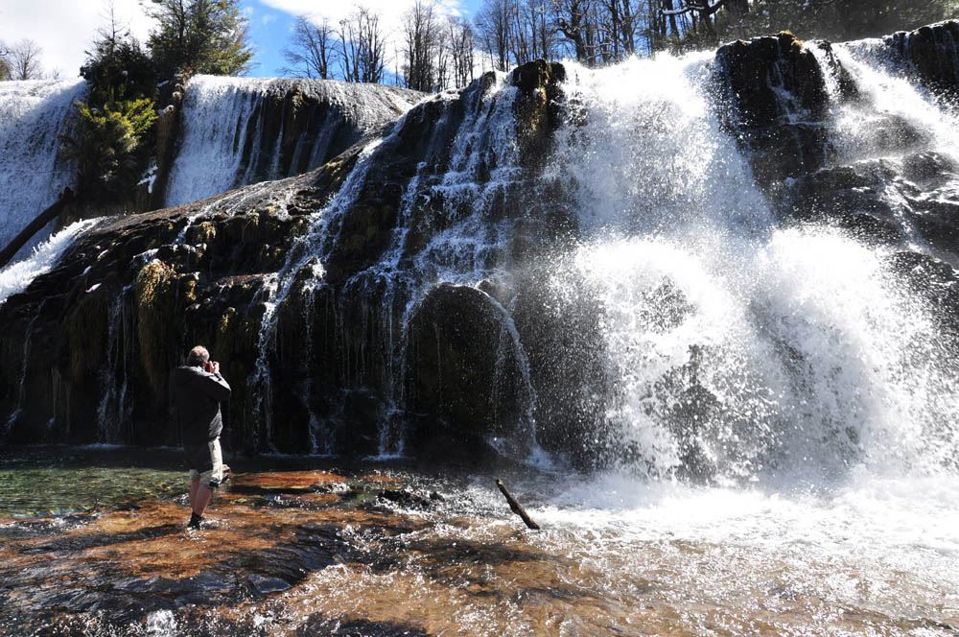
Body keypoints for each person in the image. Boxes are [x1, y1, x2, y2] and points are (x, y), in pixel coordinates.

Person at [170, 345, 231, 530]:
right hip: (206, 438)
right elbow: (225, 392)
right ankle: (195, 521)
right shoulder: (203, 378)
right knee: (211, 479)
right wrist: (216, 374)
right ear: (205, 363)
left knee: (196, 477)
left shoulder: (177, 376)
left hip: (188, 437)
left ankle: (195, 515)